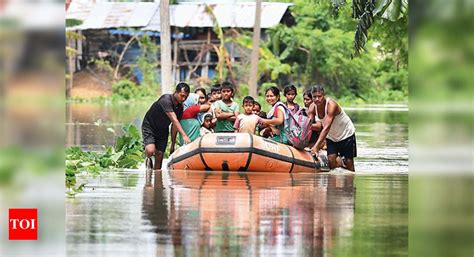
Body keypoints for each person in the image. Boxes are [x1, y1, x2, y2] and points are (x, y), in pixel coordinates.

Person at [142, 82, 191, 170]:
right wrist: (184, 135)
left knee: (160, 155)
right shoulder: (165, 100)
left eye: (186, 97)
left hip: (163, 129)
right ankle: (148, 156)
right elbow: (174, 119)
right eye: (182, 95)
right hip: (150, 126)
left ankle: (157, 180)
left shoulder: (180, 107)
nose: (183, 99)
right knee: (150, 151)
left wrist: (172, 143)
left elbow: (174, 126)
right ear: (176, 92)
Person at [309, 85, 357, 171]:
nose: (317, 99)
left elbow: (326, 128)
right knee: (331, 162)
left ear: (324, 95)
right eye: (314, 97)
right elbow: (308, 125)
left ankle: (350, 182)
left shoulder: (331, 105)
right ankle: (338, 174)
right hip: (331, 136)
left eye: (319, 96)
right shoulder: (312, 107)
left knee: (349, 162)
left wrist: (316, 146)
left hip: (346, 134)